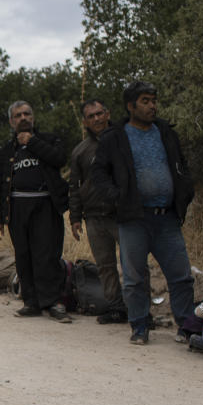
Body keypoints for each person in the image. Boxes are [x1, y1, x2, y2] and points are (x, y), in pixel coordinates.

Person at [92, 81, 195, 345]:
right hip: (134, 219)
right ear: (131, 106)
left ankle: (186, 326)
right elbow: (99, 175)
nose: (152, 106)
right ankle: (139, 327)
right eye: (146, 101)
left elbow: (180, 164)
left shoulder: (165, 132)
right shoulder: (114, 137)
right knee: (135, 278)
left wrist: (184, 189)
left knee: (181, 275)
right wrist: (118, 198)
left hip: (168, 217)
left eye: (154, 100)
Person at [0, 101, 71, 322]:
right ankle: (31, 301)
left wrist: (32, 142)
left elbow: (59, 159)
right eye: (18, 115)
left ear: (33, 118)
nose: (23, 118)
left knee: (46, 254)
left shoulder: (48, 140)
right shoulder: (7, 151)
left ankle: (53, 302)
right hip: (17, 207)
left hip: (45, 204)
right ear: (11, 121)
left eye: (27, 113)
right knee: (23, 255)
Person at [69, 99, 127, 324]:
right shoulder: (80, 151)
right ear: (85, 121)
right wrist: (75, 218)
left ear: (108, 113)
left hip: (122, 214)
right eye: (91, 116)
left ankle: (141, 310)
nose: (97, 119)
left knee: (133, 263)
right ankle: (115, 308)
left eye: (100, 113)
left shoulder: (124, 139)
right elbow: (74, 187)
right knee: (105, 265)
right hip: (93, 217)